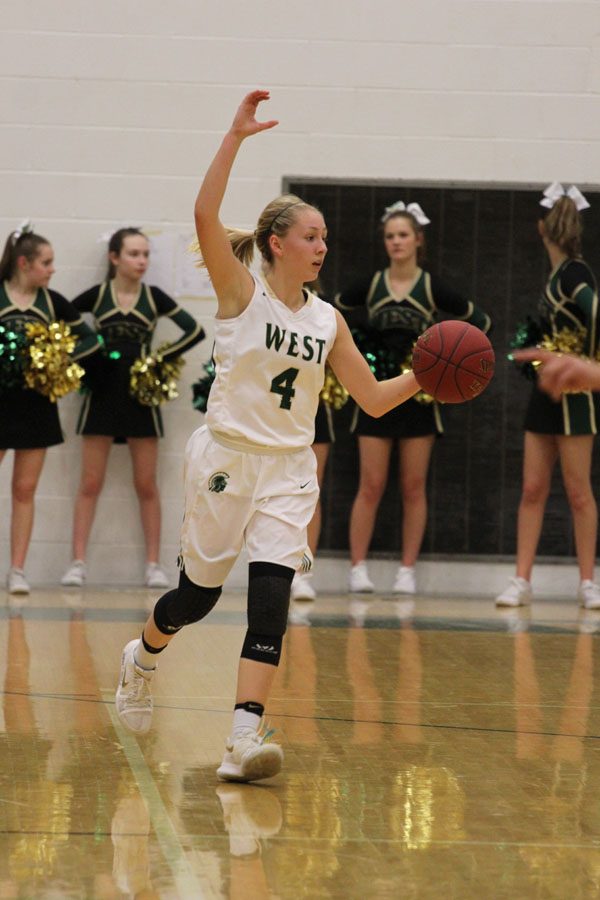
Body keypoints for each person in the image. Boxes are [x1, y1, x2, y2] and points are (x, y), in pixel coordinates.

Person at [114, 89, 420, 784]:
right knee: (197, 599)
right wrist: (234, 135)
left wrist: (424, 374)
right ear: (277, 243)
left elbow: (371, 399)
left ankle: (242, 740)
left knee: (271, 601)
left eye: (325, 240)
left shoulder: (328, 321)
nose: (322, 247)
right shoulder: (240, 293)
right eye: (311, 237)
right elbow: (203, 216)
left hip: (288, 471)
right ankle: (142, 656)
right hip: (227, 461)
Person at [335, 202, 491, 594]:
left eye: (403, 235)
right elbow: (327, 316)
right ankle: (358, 568)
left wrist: (446, 349)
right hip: (374, 393)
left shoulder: (432, 285)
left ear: (418, 240)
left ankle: (407, 570)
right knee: (370, 484)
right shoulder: (371, 284)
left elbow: (481, 323)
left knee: (412, 486)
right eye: (390, 236)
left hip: (419, 398)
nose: (396, 242)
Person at [61, 228, 205, 589]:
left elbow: (195, 331)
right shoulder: (97, 295)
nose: (142, 261)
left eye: (145, 255)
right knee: (90, 482)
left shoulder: (153, 297)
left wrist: (156, 360)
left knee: (146, 484)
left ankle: (154, 566)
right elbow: (58, 321)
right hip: (101, 392)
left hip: (142, 396)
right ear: (114, 258)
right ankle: (77, 563)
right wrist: (86, 352)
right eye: (134, 254)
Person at [496, 184, 600, 609]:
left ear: (543, 228)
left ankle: (588, 582)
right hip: (546, 392)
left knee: (578, 492)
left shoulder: (575, 273)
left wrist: (582, 359)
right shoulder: (558, 276)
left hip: (577, 393)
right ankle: (522, 580)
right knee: (533, 489)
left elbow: (596, 312)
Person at [0, 224, 100, 594]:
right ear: (24, 263)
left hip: (36, 406)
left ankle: (17, 571)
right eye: (46, 262)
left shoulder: (52, 301)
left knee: (24, 489)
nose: (52, 269)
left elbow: (90, 337)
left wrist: (57, 360)